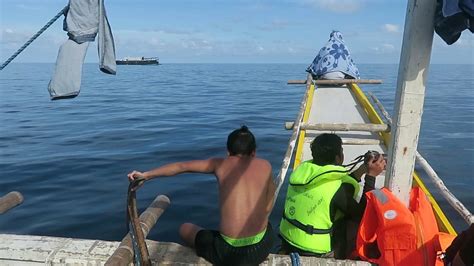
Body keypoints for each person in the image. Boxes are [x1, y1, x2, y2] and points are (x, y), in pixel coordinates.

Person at [128, 126, 276, 265]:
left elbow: (182, 167)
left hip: (229, 253)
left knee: (185, 229)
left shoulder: (219, 164)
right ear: (254, 152)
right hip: (261, 248)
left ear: (228, 152)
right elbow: (268, 207)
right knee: (267, 227)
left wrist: (146, 175)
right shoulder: (266, 165)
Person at [279, 133, 386, 258]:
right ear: (338, 158)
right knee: (351, 222)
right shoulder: (337, 189)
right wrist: (371, 177)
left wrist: (363, 169)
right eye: (341, 150)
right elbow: (363, 214)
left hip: (288, 239)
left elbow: (330, 185)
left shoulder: (302, 174)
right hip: (314, 250)